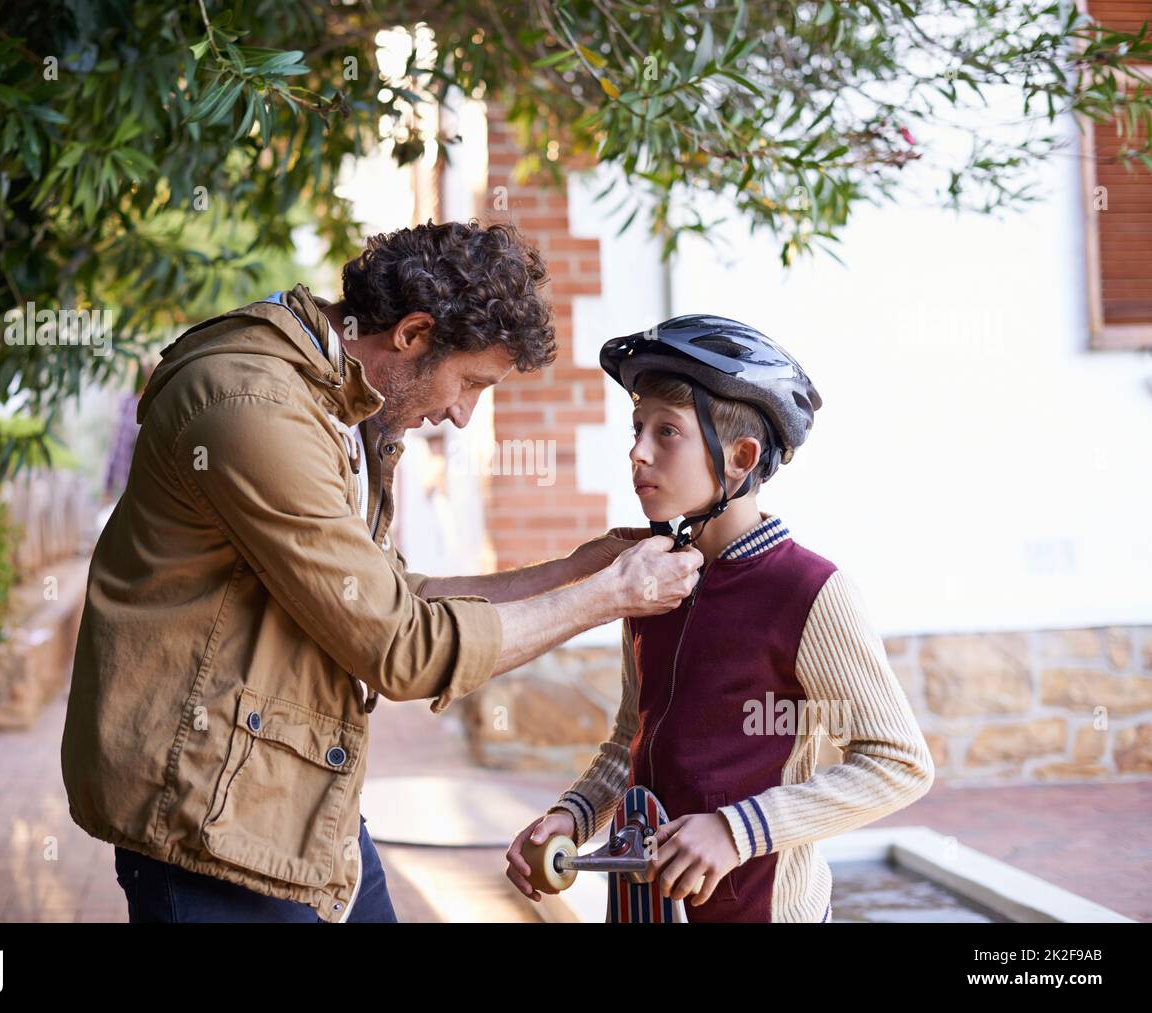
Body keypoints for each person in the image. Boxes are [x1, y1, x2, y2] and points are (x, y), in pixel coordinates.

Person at [61, 220, 704, 923]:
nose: (462, 415)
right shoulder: (253, 408)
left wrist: (574, 570)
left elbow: (394, 597)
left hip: (297, 798)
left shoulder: (338, 407)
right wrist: (610, 595)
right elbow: (401, 648)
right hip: (207, 817)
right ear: (411, 334)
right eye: (471, 383)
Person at [506, 313, 935, 922]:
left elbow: (898, 762)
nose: (637, 452)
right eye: (637, 428)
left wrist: (738, 830)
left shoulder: (808, 590)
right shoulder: (653, 581)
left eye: (667, 432)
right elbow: (634, 738)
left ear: (740, 456)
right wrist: (573, 816)